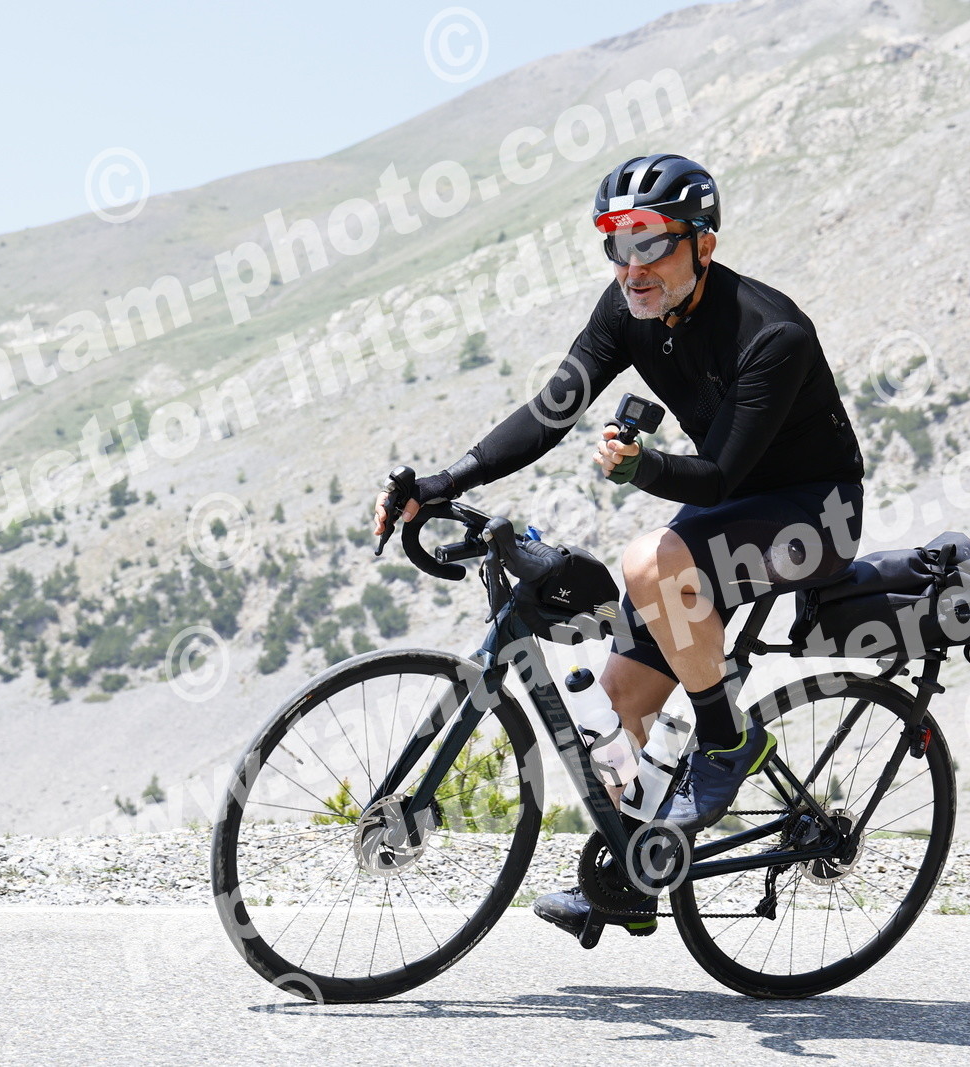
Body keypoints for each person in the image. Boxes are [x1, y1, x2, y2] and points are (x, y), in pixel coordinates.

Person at [371, 153, 865, 940]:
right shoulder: (627, 307)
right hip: (734, 512)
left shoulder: (773, 333)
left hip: (814, 516)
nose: (632, 267)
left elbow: (718, 474)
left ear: (703, 244)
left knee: (646, 560)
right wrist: (441, 481)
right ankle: (636, 877)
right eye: (618, 243)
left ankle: (728, 742)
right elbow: (549, 412)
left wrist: (644, 467)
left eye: (653, 244)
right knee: (621, 705)